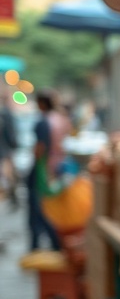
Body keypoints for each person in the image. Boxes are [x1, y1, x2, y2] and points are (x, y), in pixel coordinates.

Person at [26, 90, 63, 251]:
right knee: (46, 209)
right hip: (55, 168)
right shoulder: (59, 119)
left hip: (43, 170)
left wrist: (36, 163)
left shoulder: (43, 122)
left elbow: (40, 148)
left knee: (38, 211)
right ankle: (54, 245)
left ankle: (44, 245)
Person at [0, 90, 18, 206]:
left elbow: (10, 134)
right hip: (5, 149)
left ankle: (12, 195)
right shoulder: (5, 113)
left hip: (4, 149)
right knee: (7, 175)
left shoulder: (5, 113)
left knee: (8, 174)